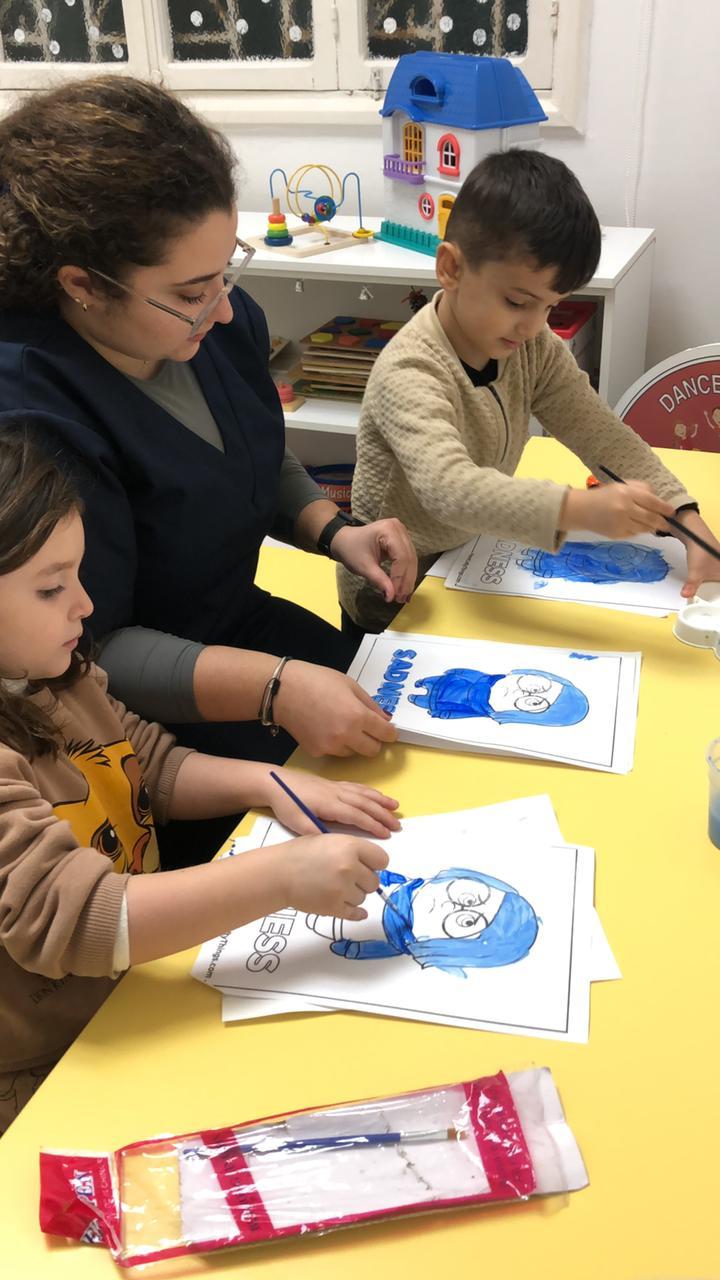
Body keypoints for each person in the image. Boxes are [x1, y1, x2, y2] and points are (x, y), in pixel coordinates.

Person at [0, 75, 417, 865]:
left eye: (227, 270)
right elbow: (83, 648)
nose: (224, 308)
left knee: (402, 739)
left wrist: (332, 530)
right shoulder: (31, 412)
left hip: (237, 623)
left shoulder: (210, 323)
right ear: (82, 286)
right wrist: (274, 689)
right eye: (193, 291)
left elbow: (247, 449)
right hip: (129, 708)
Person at [0, 430, 395, 1135]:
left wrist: (267, 781)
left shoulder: (49, 671)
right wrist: (283, 875)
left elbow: (142, 762)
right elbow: (80, 919)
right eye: (52, 587)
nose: (86, 605)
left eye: (80, 576)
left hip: (132, 992)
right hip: (49, 1070)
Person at [338, 150, 720, 634]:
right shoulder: (411, 368)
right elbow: (448, 488)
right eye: (518, 301)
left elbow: (600, 433)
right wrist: (577, 509)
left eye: (551, 306)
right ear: (451, 268)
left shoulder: (533, 348)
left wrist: (685, 517)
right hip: (391, 588)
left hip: (468, 559)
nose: (534, 325)